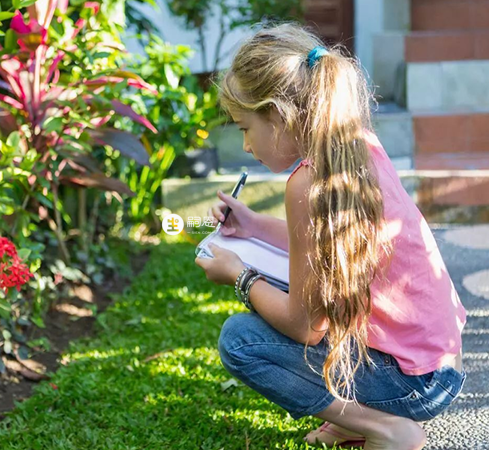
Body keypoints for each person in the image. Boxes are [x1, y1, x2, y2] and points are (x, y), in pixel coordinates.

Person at [194, 23, 467, 450]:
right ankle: (363, 418)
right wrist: (250, 225)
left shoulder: (307, 184)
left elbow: (307, 328)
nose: (246, 146)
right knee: (297, 284)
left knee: (241, 341)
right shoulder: (357, 146)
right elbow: (323, 246)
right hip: (439, 367)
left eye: (245, 128)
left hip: (412, 382)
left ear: (279, 116)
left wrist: (239, 275)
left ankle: (385, 428)